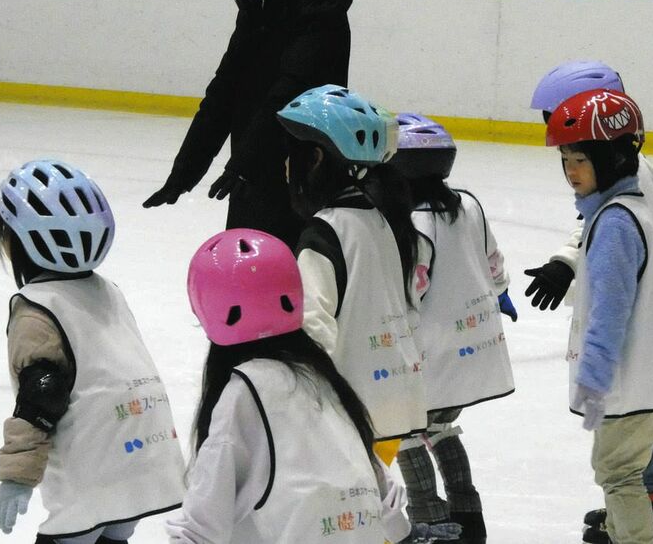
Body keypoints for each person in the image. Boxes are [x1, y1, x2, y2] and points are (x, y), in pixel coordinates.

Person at [164, 228, 460, 544]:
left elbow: (204, 520)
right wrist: (402, 534)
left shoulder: (245, 393)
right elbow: (372, 481)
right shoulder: (323, 378)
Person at [526, 60, 653, 544]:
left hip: (638, 344)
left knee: (621, 459)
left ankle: (643, 515)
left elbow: (630, 269)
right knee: (626, 449)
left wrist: (594, 379)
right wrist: (566, 260)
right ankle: (631, 512)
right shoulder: (617, 184)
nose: (568, 167)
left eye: (576, 157)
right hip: (649, 335)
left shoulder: (630, 190)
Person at [144, 0, 354, 250]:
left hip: (304, 183)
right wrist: (185, 172)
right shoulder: (259, 4)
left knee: (293, 291)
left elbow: (289, 92)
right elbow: (224, 91)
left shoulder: (320, 9)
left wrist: (243, 164)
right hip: (254, 176)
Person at [0, 159, 186, 543]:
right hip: (149, 453)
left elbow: (41, 396)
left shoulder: (36, 310)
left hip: (95, 465)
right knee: (114, 533)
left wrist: (17, 476)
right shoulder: (107, 291)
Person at [276, 84, 430, 447]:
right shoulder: (382, 218)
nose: (284, 165)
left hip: (353, 406)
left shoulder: (326, 232)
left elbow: (313, 324)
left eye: (290, 154)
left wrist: (301, 400)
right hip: (397, 394)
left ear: (314, 158)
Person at [389, 114, 518, 544]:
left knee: (407, 433)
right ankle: (469, 513)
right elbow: (493, 262)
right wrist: (499, 292)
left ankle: (428, 517)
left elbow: (413, 290)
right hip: (471, 348)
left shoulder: (414, 223)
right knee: (441, 428)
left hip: (431, 354)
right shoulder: (468, 205)